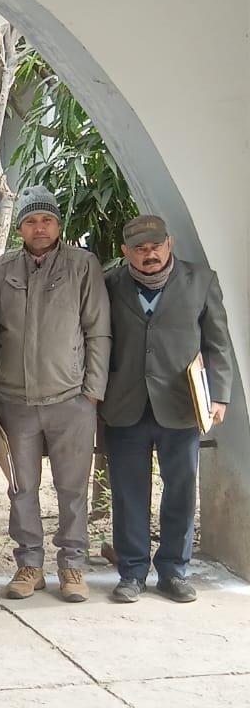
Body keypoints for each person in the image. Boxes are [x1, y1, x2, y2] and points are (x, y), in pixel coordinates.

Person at [0, 186, 111, 604]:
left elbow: (98, 330)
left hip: (71, 399)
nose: (40, 228)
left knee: (72, 489)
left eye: (47, 220)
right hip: (14, 402)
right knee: (22, 488)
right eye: (31, 220)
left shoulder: (82, 265)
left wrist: (92, 392)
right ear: (20, 228)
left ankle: (72, 565)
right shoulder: (1, 270)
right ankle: (29, 565)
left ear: (58, 225)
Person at [102, 216, 233, 604]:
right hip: (125, 405)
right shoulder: (109, 285)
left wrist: (219, 397)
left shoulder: (201, 281)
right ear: (125, 252)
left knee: (180, 489)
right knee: (128, 492)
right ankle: (132, 572)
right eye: (140, 248)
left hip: (181, 404)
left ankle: (174, 570)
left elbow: (218, 344)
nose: (150, 254)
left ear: (169, 244)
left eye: (156, 246)